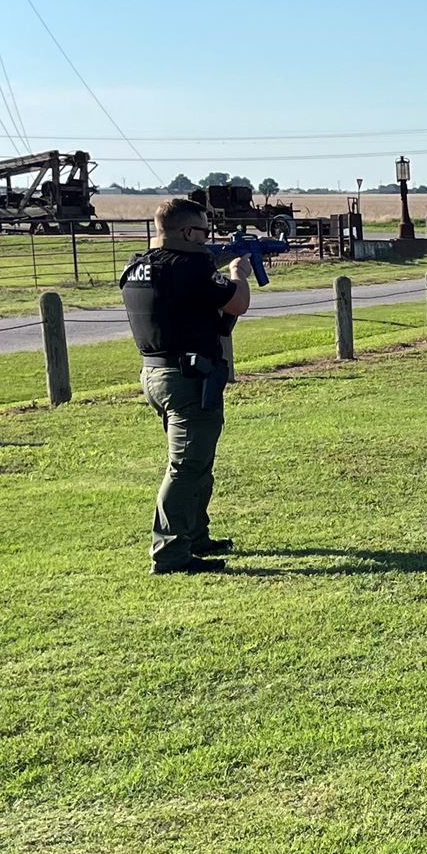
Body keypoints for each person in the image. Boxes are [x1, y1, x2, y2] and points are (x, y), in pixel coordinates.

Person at [121, 196, 252, 575]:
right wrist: (237, 273)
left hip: (156, 374)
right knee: (185, 466)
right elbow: (237, 303)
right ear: (186, 231)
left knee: (198, 462)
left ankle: (195, 536)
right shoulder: (190, 266)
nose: (205, 239)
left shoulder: (137, 266)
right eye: (203, 232)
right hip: (187, 378)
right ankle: (169, 553)